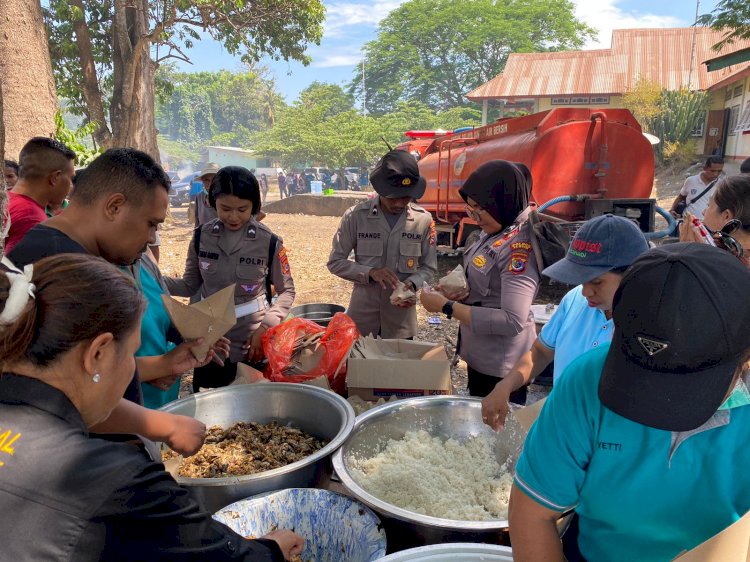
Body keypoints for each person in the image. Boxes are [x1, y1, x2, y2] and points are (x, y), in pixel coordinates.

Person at [0, 253, 304, 561]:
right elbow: (221, 555)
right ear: (98, 354)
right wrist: (271, 549)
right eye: (131, 355)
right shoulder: (116, 479)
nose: (133, 369)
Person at [509, 243, 750, 562]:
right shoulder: (586, 381)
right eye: (640, 376)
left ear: (744, 357)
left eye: (685, 389)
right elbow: (533, 515)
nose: (659, 408)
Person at [8, 148, 213, 454]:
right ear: (115, 206)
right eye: (151, 224)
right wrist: (164, 426)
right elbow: (68, 393)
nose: (151, 239)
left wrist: (159, 368)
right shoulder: (67, 269)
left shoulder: (46, 247)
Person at [481, 214, 649, 430]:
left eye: (596, 282)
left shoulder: (650, 327)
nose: (586, 291)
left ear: (633, 274)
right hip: (565, 430)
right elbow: (540, 352)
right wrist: (505, 385)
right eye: (581, 279)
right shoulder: (575, 300)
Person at [166, 166, 296, 390]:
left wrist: (265, 327)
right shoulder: (201, 237)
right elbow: (189, 285)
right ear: (212, 202)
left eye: (242, 209)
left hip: (250, 343)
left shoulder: (269, 242)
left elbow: (287, 291)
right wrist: (150, 278)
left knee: (253, 413)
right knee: (209, 407)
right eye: (225, 208)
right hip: (209, 344)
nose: (233, 216)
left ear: (254, 206)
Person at [420, 160, 538, 401]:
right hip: (480, 354)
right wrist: (454, 290)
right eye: (470, 208)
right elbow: (483, 281)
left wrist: (446, 307)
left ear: (501, 203)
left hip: (501, 366)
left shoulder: (519, 248)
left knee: (497, 431)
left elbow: (512, 320)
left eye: (479, 209)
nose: (473, 215)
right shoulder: (494, 231)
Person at [328, 149, 437, 339]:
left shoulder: (423, 221)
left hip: (401, 324)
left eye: (406, 197)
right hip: (362, 320)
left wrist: (411, 284)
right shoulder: (355, 217)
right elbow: (335, 262)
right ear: (380, 190)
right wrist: (370, 272)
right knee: (361, 368)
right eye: (393, 197)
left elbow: (429, 268)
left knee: (398, 369)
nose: (399, 204)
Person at [5, 137, 76, 253]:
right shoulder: (30, 218)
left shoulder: (8, 201)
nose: (70, 185)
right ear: (55, 178)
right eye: (70, 178)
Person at [680, 174, 750, 268]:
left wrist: (688, 256)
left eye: (708, 205)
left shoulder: (729, 264)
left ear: (726, 216)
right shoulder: (727, 252)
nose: (703, 212)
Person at [669, 156, 724, 221]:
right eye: (712, 171)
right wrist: (672, 209)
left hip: (708, 224)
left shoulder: (721, 184)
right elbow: (681, 196)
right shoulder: (691, 181)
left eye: (719, 171)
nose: (716, 174)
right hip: (688, 221)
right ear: (704, 168)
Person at [195, 162, 220, 227]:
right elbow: (197, 223)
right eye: (206, 180)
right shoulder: (199, 197)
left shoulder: (226, 197)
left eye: (214, 180)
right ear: (202, 181)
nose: (211, 184)